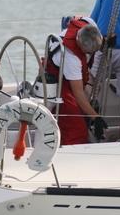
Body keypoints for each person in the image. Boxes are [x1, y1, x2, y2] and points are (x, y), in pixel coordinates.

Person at [44, 16, 107, 145]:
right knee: (76, 129)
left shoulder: (88, 23)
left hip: (71, 77)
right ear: (80, 45)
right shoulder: (71, 59)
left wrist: (106, 42)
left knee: (87, 108)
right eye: (89, 52)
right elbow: (78, 94)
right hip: (60, 84)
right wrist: (96, 118)